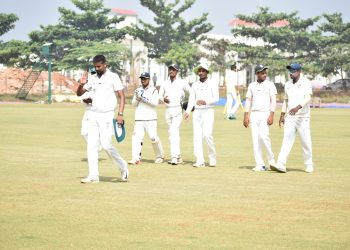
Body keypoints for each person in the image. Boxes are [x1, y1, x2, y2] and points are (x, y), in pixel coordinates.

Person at [77, 55, 129, 183]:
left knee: (106, 145)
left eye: (99, 66)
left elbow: (122, 96)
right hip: (93, 114)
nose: (97, 68)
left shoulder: (113, 77)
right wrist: (81, 84)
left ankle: (123, 166)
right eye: (95, 66)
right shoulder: (93, 78)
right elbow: (79, 93)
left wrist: (120, 114)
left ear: (105, 64)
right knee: (92, 146)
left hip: (106, 115)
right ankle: (93, 176)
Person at [270, 63, 314, 173]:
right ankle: (281, 164)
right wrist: (282, 115)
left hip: (303, 117)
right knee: (286, 140)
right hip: (290, 117)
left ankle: (309, 165)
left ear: (299, 72)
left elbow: (308, 97)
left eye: (293, 71)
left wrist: (297, 107)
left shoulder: (306, 82)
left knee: (306, 142)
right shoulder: (288, 84)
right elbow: (286, 100)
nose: (291, 73)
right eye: (290, 71)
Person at [159, 64, 194, 165]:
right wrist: (163, 99)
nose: (171, 71)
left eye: (173, 69)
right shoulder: (165, 83)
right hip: (168, 110)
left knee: (174, 132)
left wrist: (188, 109)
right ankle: (177, 156)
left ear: (177, 71)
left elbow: (192, 92)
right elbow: (159, 95)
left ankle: (174, 157)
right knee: (171, 133)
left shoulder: (182, 82)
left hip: (177, 110)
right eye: (170, 69)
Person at [243, 65, 277, 171]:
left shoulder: (270, 84)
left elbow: (273, 100)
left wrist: (272, 115)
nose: (264, 74)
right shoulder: (252, 85)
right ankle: (260, 164)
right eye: (261, 73)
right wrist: (246, 115)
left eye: (265, 72)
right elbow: (248, 100)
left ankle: (272, 161)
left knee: (264, 137)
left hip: (265, 113)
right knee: (255, 140)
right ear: (257, 74)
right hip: (254, 114)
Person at [128, 72, 165, 165]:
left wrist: (143, 98)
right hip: (139, 118)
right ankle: (135, 158)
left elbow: (155, 103)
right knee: (136, 138)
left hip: (151, 118)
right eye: (142, 79)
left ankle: (160, 156)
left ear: (149, 80)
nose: (143, 80)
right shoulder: (138, 90)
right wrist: (137, 98)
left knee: (153, 137)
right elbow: (133, 104)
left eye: (145, 79)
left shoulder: (153, 90)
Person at [189, 64, 219, 167]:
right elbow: (191, 99)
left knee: (207, 135)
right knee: (197, 137)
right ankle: (200, 160)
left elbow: (216, 99)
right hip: (197, 112)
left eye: (203, 71)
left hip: (208, 111)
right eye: (199, 71)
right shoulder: (194, 84)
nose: (201, 73)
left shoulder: (212, 83)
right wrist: (188, 111)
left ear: (207, 72)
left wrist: (205, 102)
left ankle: (212, 158)